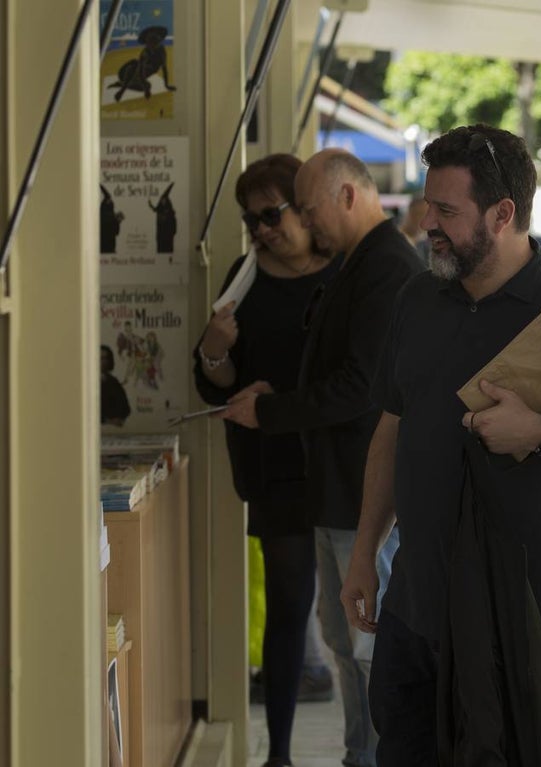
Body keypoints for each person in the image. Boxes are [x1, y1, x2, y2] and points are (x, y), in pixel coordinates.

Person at [338, 125, 541, 765]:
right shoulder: (418, 296)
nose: (426, 222)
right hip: (414, 598)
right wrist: (364, 553)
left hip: (512, 612)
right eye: (427, 204)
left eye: (446, 211)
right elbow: (392, 428)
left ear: (504, 213)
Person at [222, 148, 423, 767]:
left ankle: (376, 756)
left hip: (363, 489)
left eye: (309, 210)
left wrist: (272, 411)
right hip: (335, 486)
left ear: (347, 196)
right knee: (344, 642)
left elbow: (360, 386)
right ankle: (359, 753)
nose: (305, 224)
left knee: (367, 646)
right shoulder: (356, 262)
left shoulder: (386, 266)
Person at [193, 153, 340, 767]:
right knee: (287, 604)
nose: (261, 229)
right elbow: (215, 387)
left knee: (355, 614)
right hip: (275, 465)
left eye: (271, 214)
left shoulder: (346, 273)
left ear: (306, 210)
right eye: (251, 220)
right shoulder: (245, 277)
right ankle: (277, 754)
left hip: (341, 459)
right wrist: (214, 351)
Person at [100, 344, 131, 426]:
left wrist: (119, 418)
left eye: (106, 358)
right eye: (100, 358)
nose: (103, 361)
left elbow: (125, 407)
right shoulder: (87, 382)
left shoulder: (113, 381)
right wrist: (106, 421)